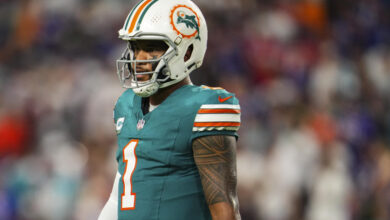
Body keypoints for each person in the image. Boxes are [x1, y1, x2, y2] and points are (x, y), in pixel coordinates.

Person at [98, 0, 241, 219]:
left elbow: (224, 208)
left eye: (152, 48)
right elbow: (121, 193)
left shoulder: (204, 106)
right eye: (136, 47)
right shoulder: (126, 104)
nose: (140, 58)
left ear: (186, 52)